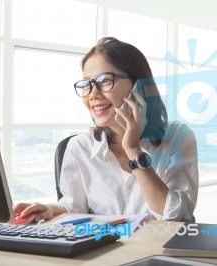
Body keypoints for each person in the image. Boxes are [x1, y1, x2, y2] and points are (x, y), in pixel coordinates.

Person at [15, 37, 198, 222]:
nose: (93, 94)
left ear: (139, 86)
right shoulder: (78, 147)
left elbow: (178, 217)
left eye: (104, 80)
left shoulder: (178, 137)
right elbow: (73, 206)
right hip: (106, 250)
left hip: (159, 249)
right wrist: (50, 208)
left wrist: (133, 151)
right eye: (87, 84)